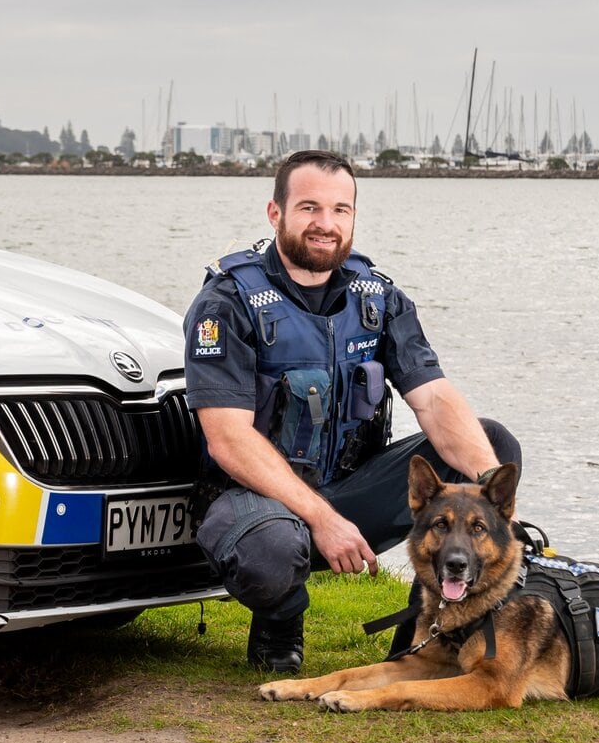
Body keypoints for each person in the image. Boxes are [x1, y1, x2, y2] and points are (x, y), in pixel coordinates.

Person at [184, 149, 519, 671]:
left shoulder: (377, 298)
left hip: (348, 486)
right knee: (274, 551)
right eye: (309, 208)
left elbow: (432, 397)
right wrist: (321, 519)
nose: (326, 224)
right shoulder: (227, 303)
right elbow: (227, 438)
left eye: (341, 210)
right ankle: (279, 623)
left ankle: (422, 632)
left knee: (492, 446)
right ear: (276, 214)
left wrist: (498, 510)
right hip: (250, 498)